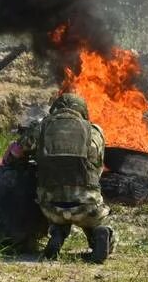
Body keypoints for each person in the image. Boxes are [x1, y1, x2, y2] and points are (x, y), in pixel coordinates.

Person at [19, 92, 114, 263]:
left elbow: (19, 150)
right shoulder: (94, 131)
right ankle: (99, 235)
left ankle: (57, 234)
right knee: (97, 223)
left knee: (58, 213)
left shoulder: (41, 127)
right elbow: (98, 168)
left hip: (50, 207)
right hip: (86, 204)